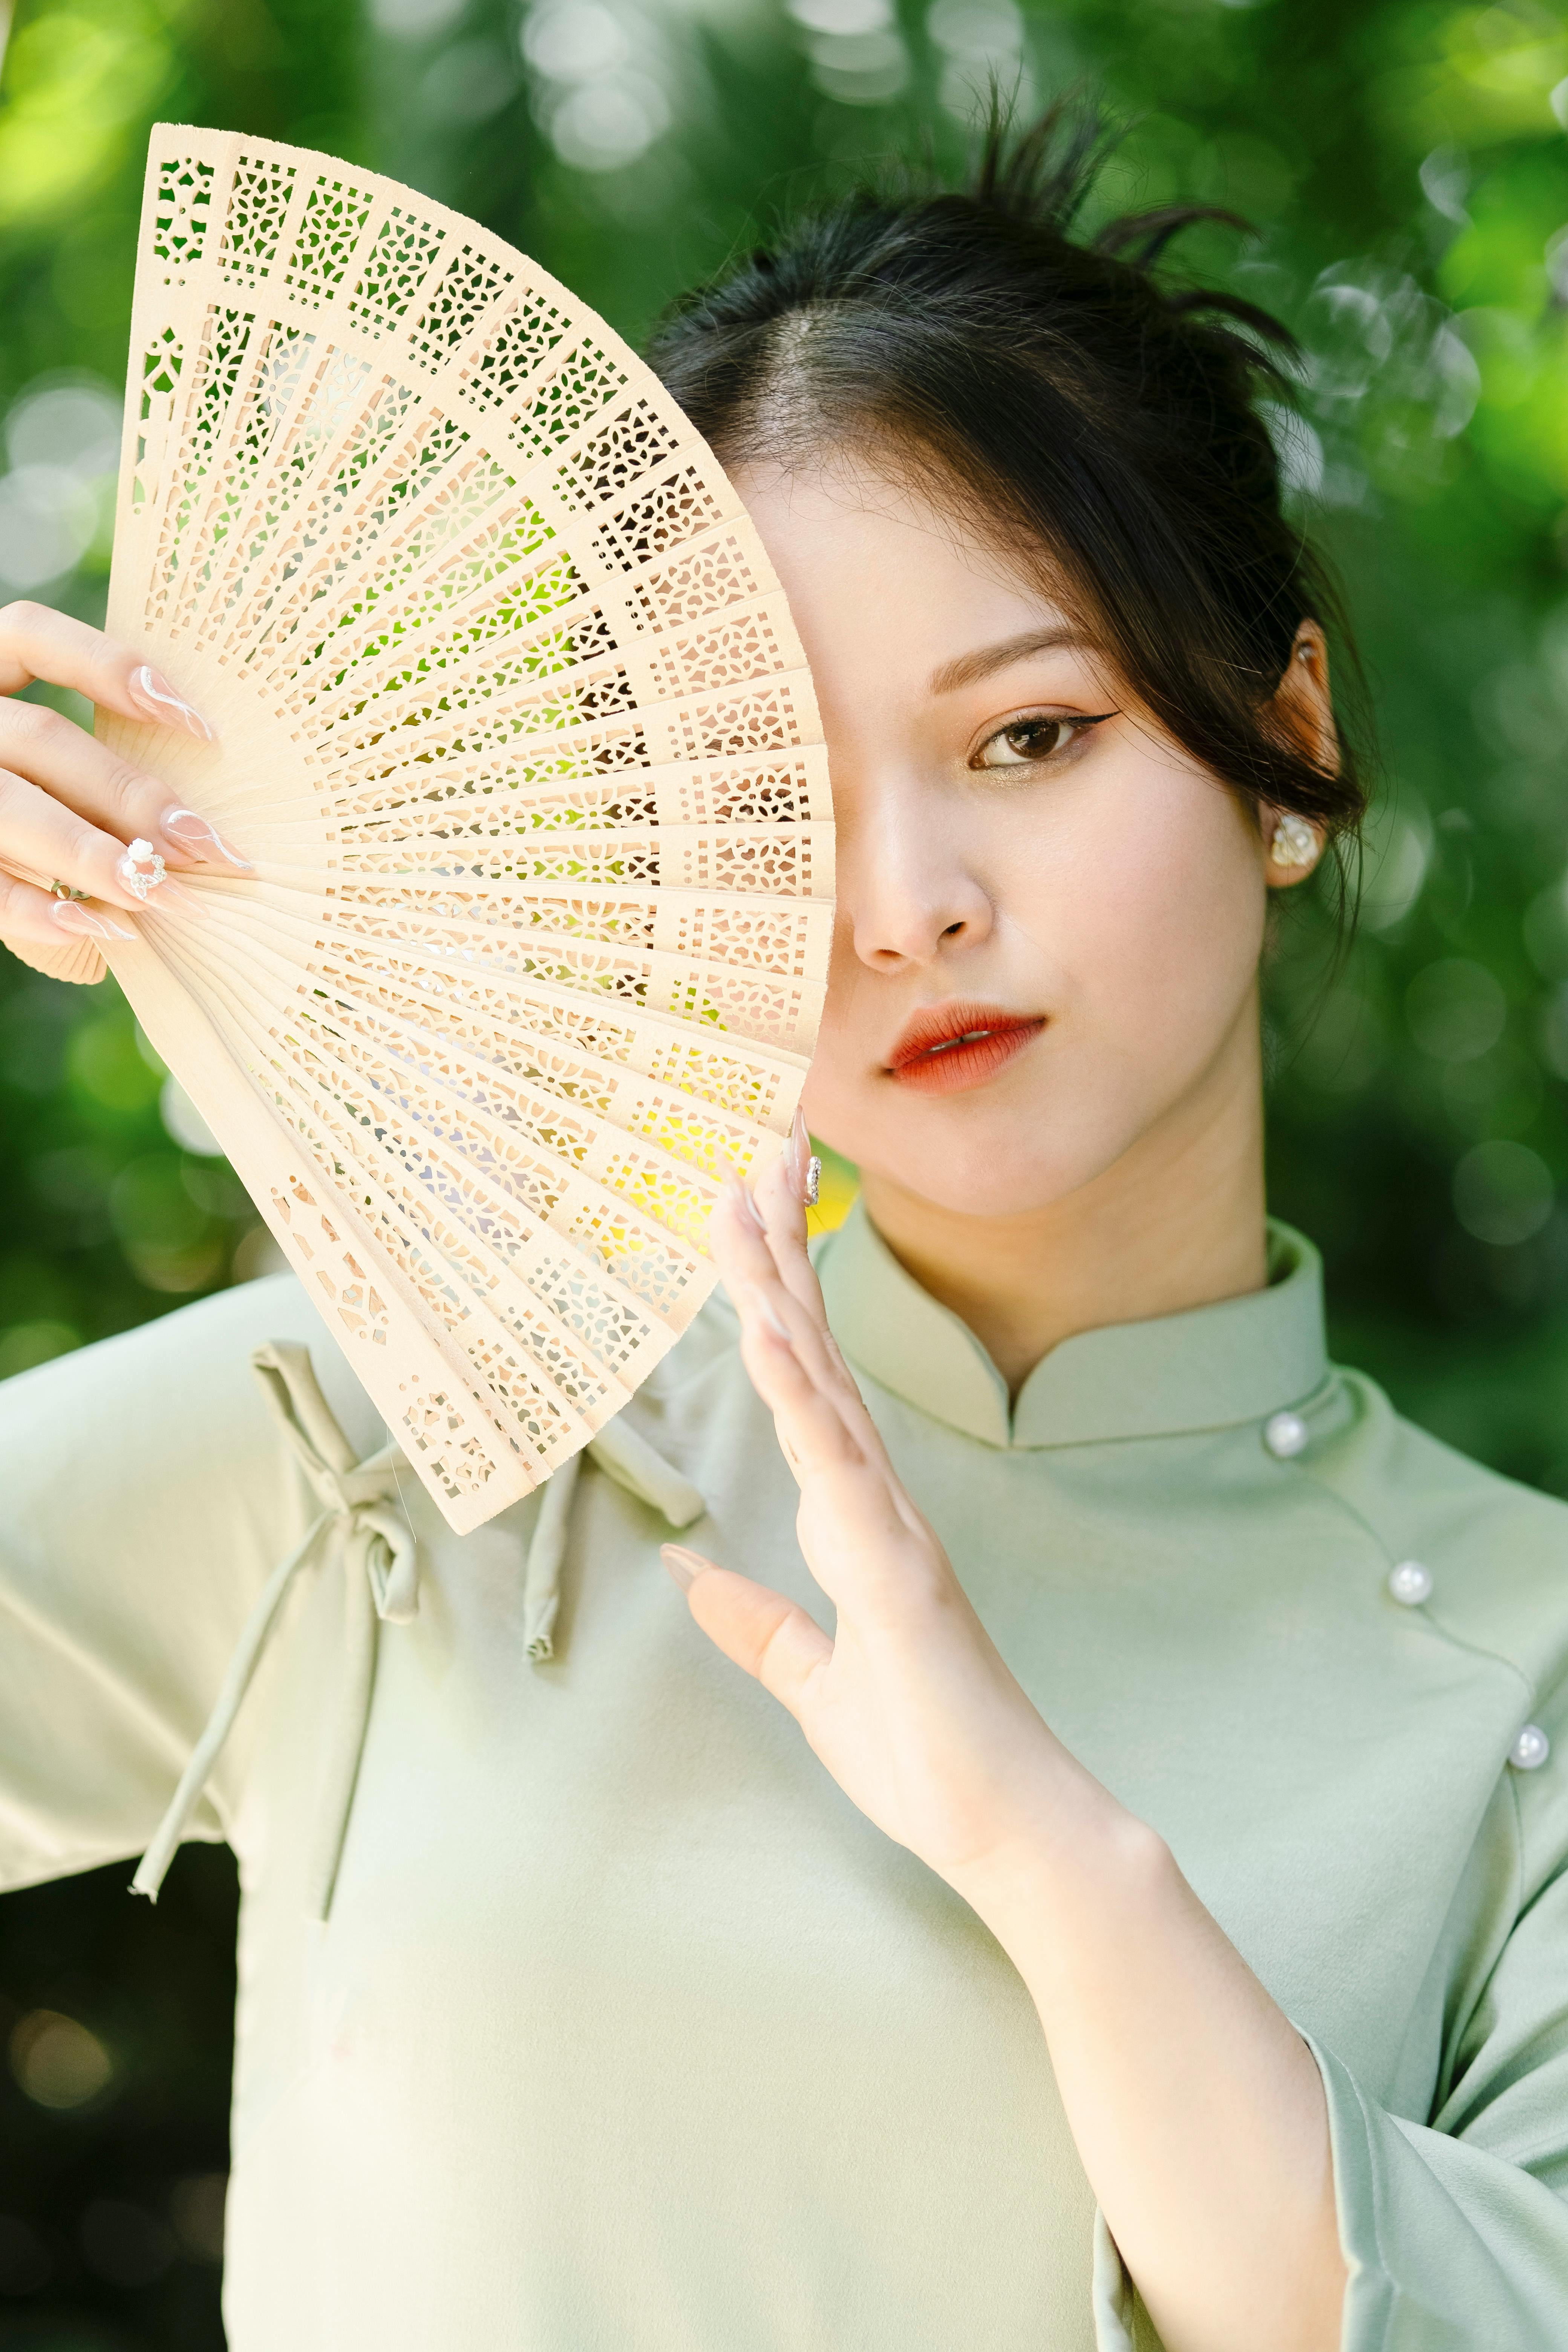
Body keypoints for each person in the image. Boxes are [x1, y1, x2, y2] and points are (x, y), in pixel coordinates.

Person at [0, 109, 1564, 2352]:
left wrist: (1038, 1842)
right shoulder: (420, 1428)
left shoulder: (1529, 1682)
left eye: (1029, 737)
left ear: (1281, 738)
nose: (899, 904)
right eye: (771, 807)